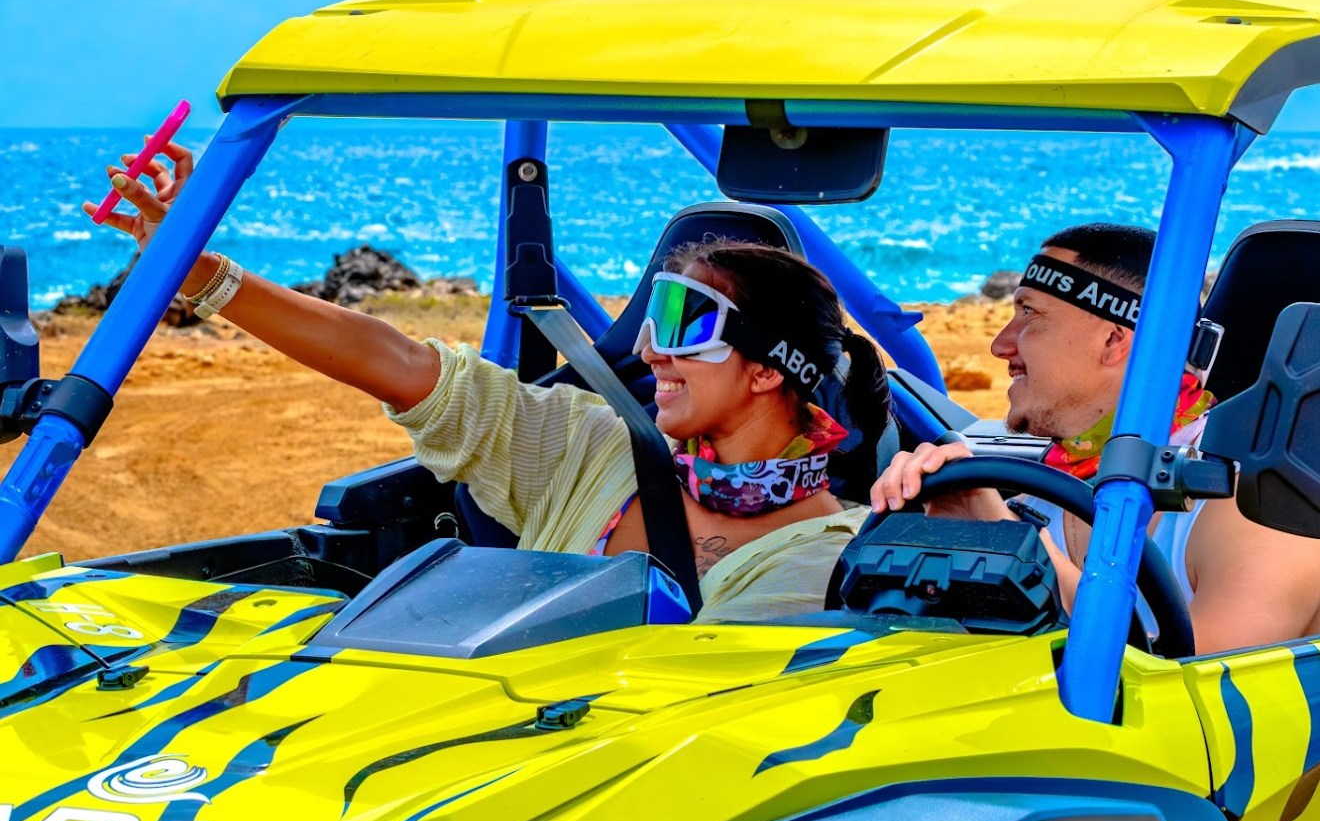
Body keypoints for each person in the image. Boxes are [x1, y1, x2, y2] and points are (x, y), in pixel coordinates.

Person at [85, 143, 890, 623]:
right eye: (652, 318)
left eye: (684, 322)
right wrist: (195, 267)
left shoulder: (829, 556)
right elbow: (397, 363)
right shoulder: (596, 449)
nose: (650, 351)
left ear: (766, 370)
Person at [871, 222, 1320, 654]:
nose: (1001, 345)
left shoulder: (1257, 499)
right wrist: (946, 540)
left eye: (1030, 313)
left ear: (1113, 339)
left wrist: (1013, 546)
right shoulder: (1044, 493)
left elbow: (1193, 692)